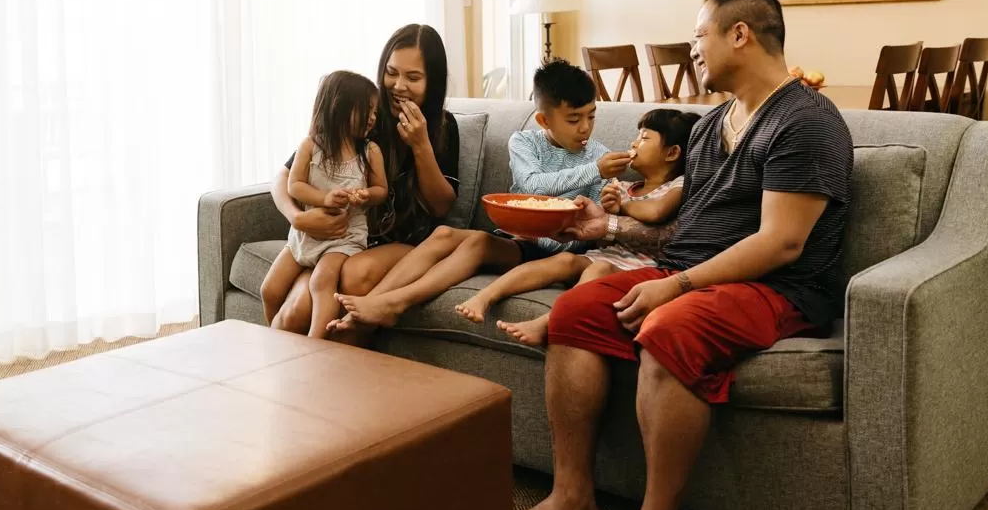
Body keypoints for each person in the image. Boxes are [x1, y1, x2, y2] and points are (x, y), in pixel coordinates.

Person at [511, 0, 853, 510]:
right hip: (690, 271)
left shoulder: (805, 120)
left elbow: (781, 244)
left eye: (699, 34)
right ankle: (571, 499)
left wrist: (677, 285)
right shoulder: (711, 124)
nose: (694, 47)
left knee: (672, 328)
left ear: (739, 34)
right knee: (576, 310)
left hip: (776, 288)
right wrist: (610, 228)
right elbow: (681, 227)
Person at [330, 59, 632, 332]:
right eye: (573, 119)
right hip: (517, 240)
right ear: (544, 120)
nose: (585, 128)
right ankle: (374, 304)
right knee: (445, 233)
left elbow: (590, 232)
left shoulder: (601, 159)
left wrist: (608, 202)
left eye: (591, 116)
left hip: (555, 252)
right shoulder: (525, 143)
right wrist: (595, 169)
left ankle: (394, 304)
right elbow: (532, 187)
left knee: (476, 241)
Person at [267, 24, 460, 335]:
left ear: (432, 81)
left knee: (354, 274)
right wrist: (299, 218)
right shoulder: (363, 116)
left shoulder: (442, 126)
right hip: (336, 240)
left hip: (402, 243)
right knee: (293, 313)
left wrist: (421, 144)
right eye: (391, 72)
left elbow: (441, 206)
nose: (398, 86)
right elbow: (283, 176)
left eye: (413, 77)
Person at [464, 108, 701, 344]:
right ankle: (484, 297)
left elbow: (656, 211)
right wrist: (597, 213)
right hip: (606, 254)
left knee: (599, 269)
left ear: (672, 153)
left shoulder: (678, 186)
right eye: (637, 136)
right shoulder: (623, 187)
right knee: (564, 261)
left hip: (641, 267)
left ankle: (547, 322)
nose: (634, 142)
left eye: (644, 138)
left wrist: (623, 206)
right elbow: (605, 236)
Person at [259, 71, 388, 338]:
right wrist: (324, 199)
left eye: (374, 111)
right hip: (305, 236)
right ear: (339, 108)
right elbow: (295, 185)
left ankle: (315, 345)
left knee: (322, 280)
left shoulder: (370, 151)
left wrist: (367, 195)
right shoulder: (309, 146)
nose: (373, 117)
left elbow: (381, 190)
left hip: (344, 238)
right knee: (269, 289)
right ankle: (275, 342)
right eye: (367, 110)